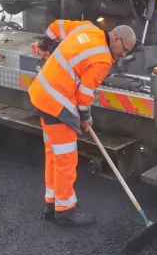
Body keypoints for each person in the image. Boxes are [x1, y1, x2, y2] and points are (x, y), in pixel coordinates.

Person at [28, 20, 137, 227]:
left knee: (54, 154)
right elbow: (84, 94)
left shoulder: (88, 28)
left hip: (42, 93)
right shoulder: (102, 59)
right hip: (58, 103)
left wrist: (44, 43)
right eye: (124, 50)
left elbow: (56, 26)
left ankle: (52, 203)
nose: (123, 55)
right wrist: (86, 118)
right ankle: (65, 211)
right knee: (66, 159)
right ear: (115, 38)